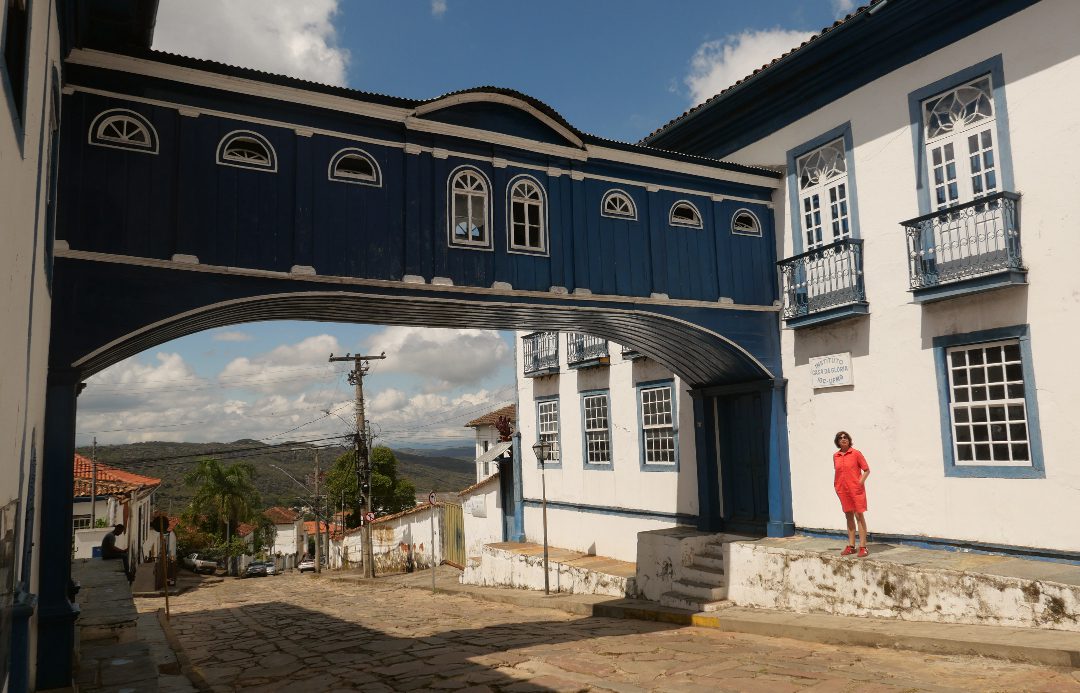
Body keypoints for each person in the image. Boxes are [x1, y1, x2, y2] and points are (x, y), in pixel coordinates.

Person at [833, 431, 870, 557]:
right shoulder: (836, 456)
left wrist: (859, 483)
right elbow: (838, 472)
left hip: (856, 490)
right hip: (843, 490)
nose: (843, 439)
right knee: (848, 516)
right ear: (837, 441)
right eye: (840, 438)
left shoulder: (856, 454)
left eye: (845, 437)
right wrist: (837, 486)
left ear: (849, 440)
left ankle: (863, 546)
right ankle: (851, 546)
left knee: (859, 516)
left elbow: (866, 470)